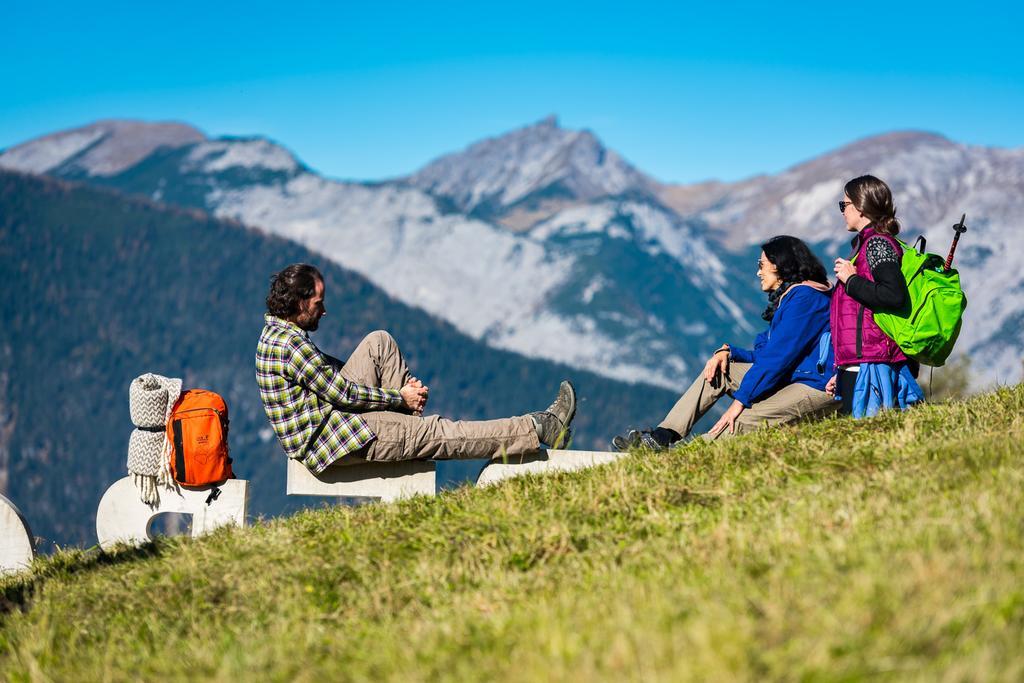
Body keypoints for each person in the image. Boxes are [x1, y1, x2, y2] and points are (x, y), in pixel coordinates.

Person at [255, 264, 576, 473]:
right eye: (318, 303)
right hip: (336, 437)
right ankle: (537, 427)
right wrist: (399, 398)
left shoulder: (279, 333)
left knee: (378, 342)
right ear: (299, 302)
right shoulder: (291, 346)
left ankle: (407, 433)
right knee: (440, 431)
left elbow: (324, 373)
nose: (324, 311)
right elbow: (343, 394)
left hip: (331, 419)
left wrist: (401, 398)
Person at [613, 236, 837, 451]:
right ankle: (661, 438)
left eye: (762, 264)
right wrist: (728, 353)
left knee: (736, 421)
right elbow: (769, 353)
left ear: (780, 265)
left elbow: (775, 360)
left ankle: (684, 457)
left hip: (816, 385)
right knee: (719, 370)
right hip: (797, 376)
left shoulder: (805, 299)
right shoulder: (795, 296)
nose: (758, 272)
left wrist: (740, 402)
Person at [828, 175, 924, 416]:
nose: (842, 211)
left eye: (844, 205)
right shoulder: (865, 244)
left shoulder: (877, 244)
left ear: (860, 207)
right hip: (861, 360)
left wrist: (851, 280)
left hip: (873, 362)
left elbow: (893, 295)